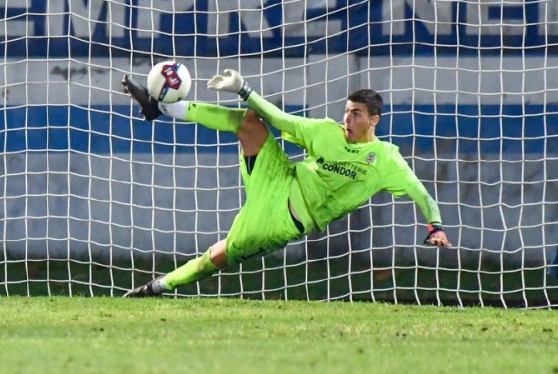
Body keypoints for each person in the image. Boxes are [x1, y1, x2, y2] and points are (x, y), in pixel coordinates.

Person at [121, 67, 450, 297]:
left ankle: (157, 287)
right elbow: (278, 120)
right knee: (249, 121)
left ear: (373, 120)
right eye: (347, 111)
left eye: (356, 114)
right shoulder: (326, 131)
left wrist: (435, 226)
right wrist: (243, 90)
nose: (347, 119)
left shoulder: (386, 159)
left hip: (285, 219)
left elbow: (421, 194)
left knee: (218, 257)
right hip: (281, 176)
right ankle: (162, 108)